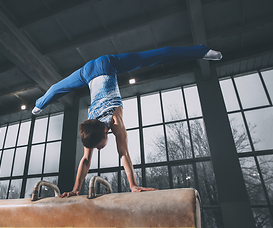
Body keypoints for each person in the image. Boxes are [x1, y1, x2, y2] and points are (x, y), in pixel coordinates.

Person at [32, 45, 222, 197]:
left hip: (107, 65)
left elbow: (123, 153)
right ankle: (39, 104)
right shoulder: (91, 127)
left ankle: (202, 51)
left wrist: (133, 185)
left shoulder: (115, 122)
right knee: (58, 88)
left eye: (99, 146)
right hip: (88, 73)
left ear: (106, 132)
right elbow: (85, 160)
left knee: (154, 56)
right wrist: (75, 189)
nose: (98, 149)